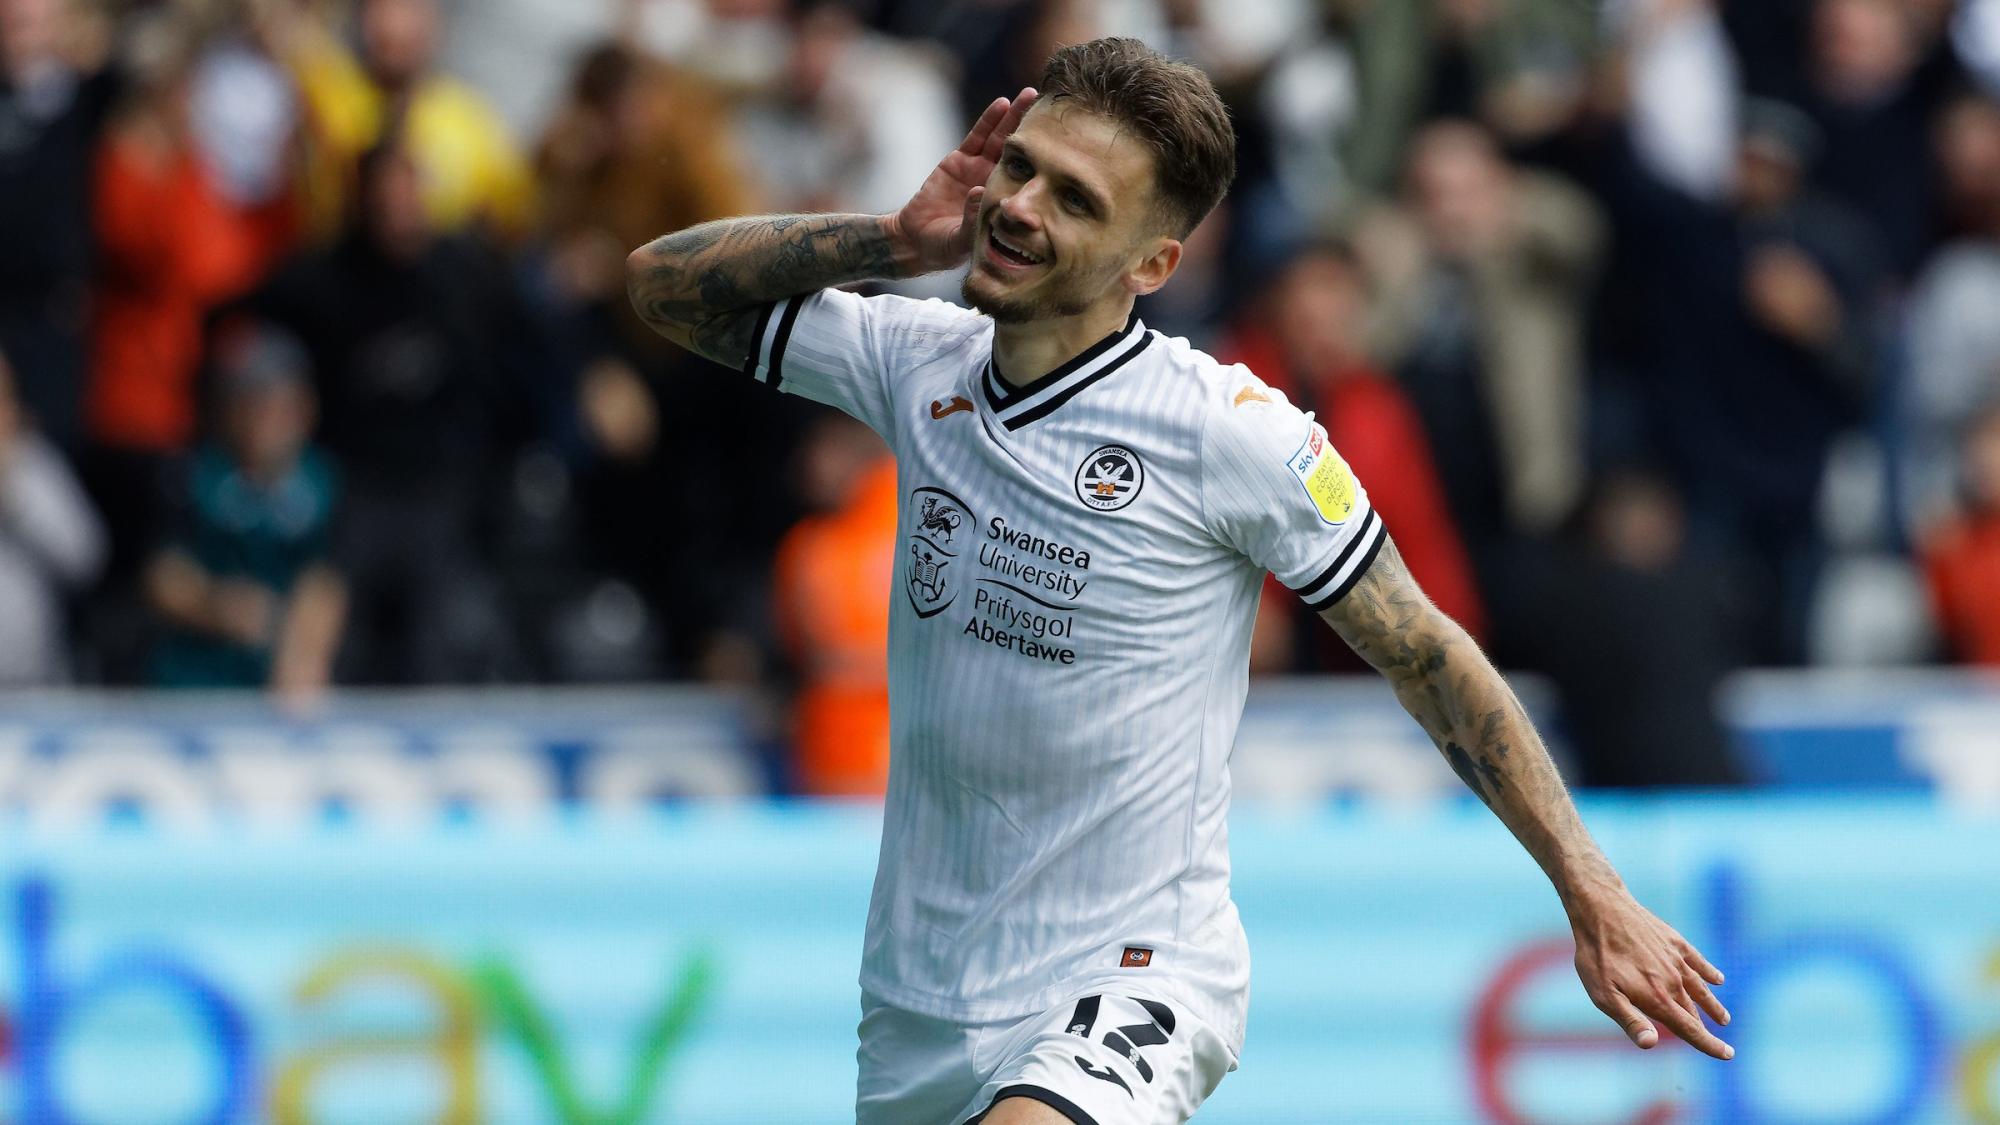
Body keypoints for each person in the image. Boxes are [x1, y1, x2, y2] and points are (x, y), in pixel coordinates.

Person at [627, 38, 1733, 1124]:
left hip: (1131, 973)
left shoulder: (1229, 434)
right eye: (1019, 168)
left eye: (1075, 199)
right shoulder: (916, 362)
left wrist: (1588, 889)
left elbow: (1425, 651)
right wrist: (884, 235)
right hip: (918, 994)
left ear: (1151, 265)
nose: (1018, 207)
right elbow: (664, 289)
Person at [144, 323, 345, 705]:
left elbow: (326, 581)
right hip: (197, 672)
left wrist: (302, 647)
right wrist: (216, 605)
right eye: (249, 402)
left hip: (284, 674)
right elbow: (163, 576)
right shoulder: (191, 476)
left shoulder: (324, 485)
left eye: (276, 403)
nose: (263, 418)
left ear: (305, 408)